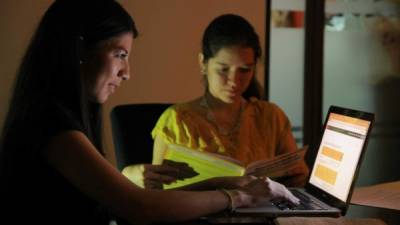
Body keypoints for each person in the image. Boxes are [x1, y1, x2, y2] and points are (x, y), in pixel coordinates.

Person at [0, 1, 300, 224]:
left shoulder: (60, 119)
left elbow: (142, 201)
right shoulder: (51, 125)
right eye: (120, 55)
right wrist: (239, 196)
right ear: (79, 50)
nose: (126, 72)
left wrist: (229, 184)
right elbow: (142, 207)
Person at [122, 14, 309, 190]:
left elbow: (297, 177)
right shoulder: (178, 120)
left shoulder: (271, 117)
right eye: (223, 69)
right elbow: (159, 193)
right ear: (203, 63)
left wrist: (297, 178)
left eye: (245, 70)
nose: (234, 81)